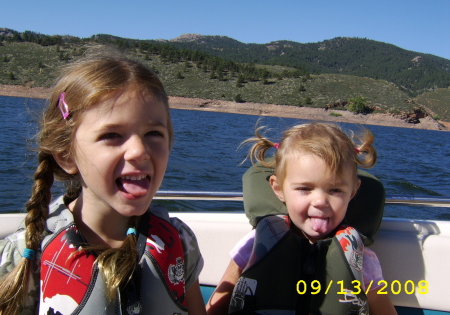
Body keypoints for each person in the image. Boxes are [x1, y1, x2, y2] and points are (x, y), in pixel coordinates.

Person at [0, 49, 206, 315]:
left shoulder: (179, 240)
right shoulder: (27, 252)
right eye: (112, 135)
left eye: (154, 133)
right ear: (66, 155)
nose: (139, 151)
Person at [206, 122, 397, 315]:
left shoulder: (361, 260)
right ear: (278, 189)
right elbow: (217, 305)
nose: (320, 201)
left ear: (353, 191)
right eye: (305, 189)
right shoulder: (255, 245)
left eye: (335, 190)